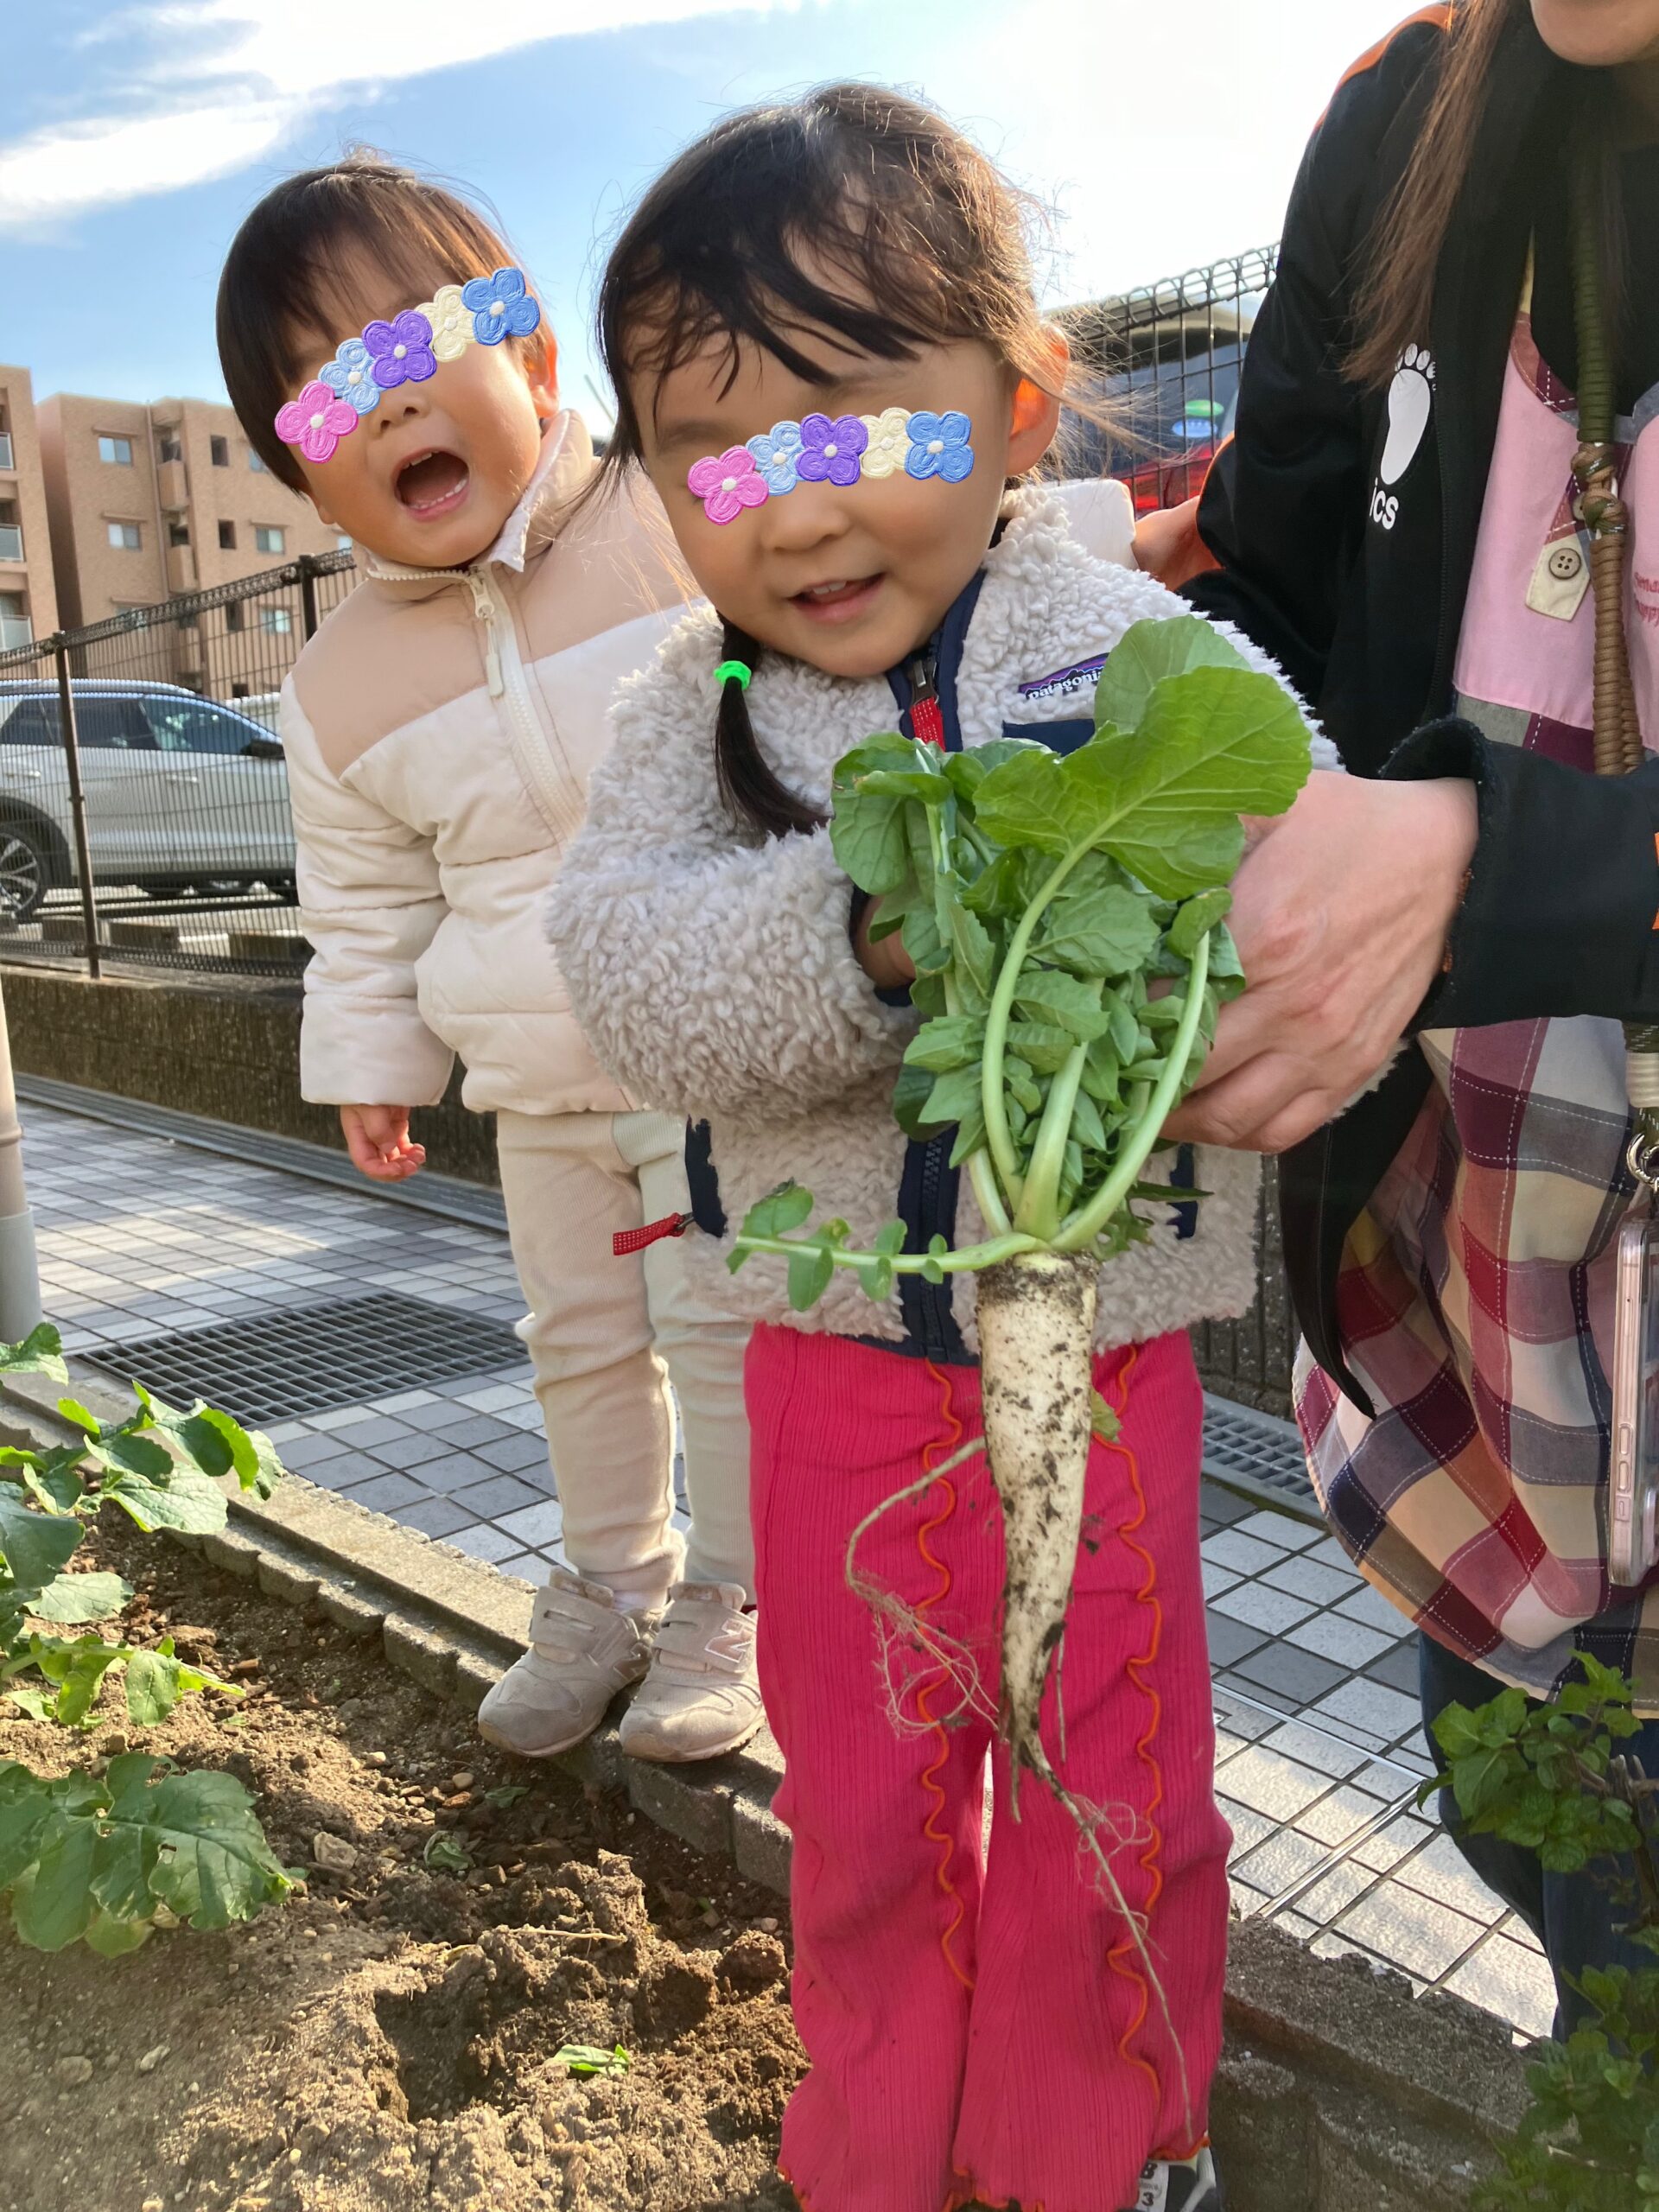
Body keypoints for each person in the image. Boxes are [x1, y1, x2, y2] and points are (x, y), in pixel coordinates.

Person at [548, 84, 1329, 2212]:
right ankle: (878, 2145)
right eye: (716, 459)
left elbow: (1305, 872)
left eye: (850, 429)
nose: (790, 515)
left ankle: (1104, 2144)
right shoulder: (686, 714)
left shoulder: (1140, 654)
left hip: (1111, 1346)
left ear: (1015, 404)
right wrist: (866, 928)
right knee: (870, 1796)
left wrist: (1197, 986)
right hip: (829, 1362)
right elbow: (623, 971)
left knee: (1124, 1777)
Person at [1170, 0, 1659, 2022]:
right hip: (1474, 1271)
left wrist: (1489, 855)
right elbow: (1265, 589)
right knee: (1531, 1816)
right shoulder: (1408, 117)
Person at [214, 159, 762, 1766]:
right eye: (320, 397)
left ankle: (732, 1601)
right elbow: (365, 902)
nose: (374, 409)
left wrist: (1097, 538)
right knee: (579, 1345)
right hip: (536, 1094)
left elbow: (892, 541)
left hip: (714, 1050)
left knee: (721, 1330)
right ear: (301, 481)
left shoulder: (673, 515)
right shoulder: (334, 687)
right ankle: (607, 1585)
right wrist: (376, 1069)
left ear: (527, 357)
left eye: (401, 349)